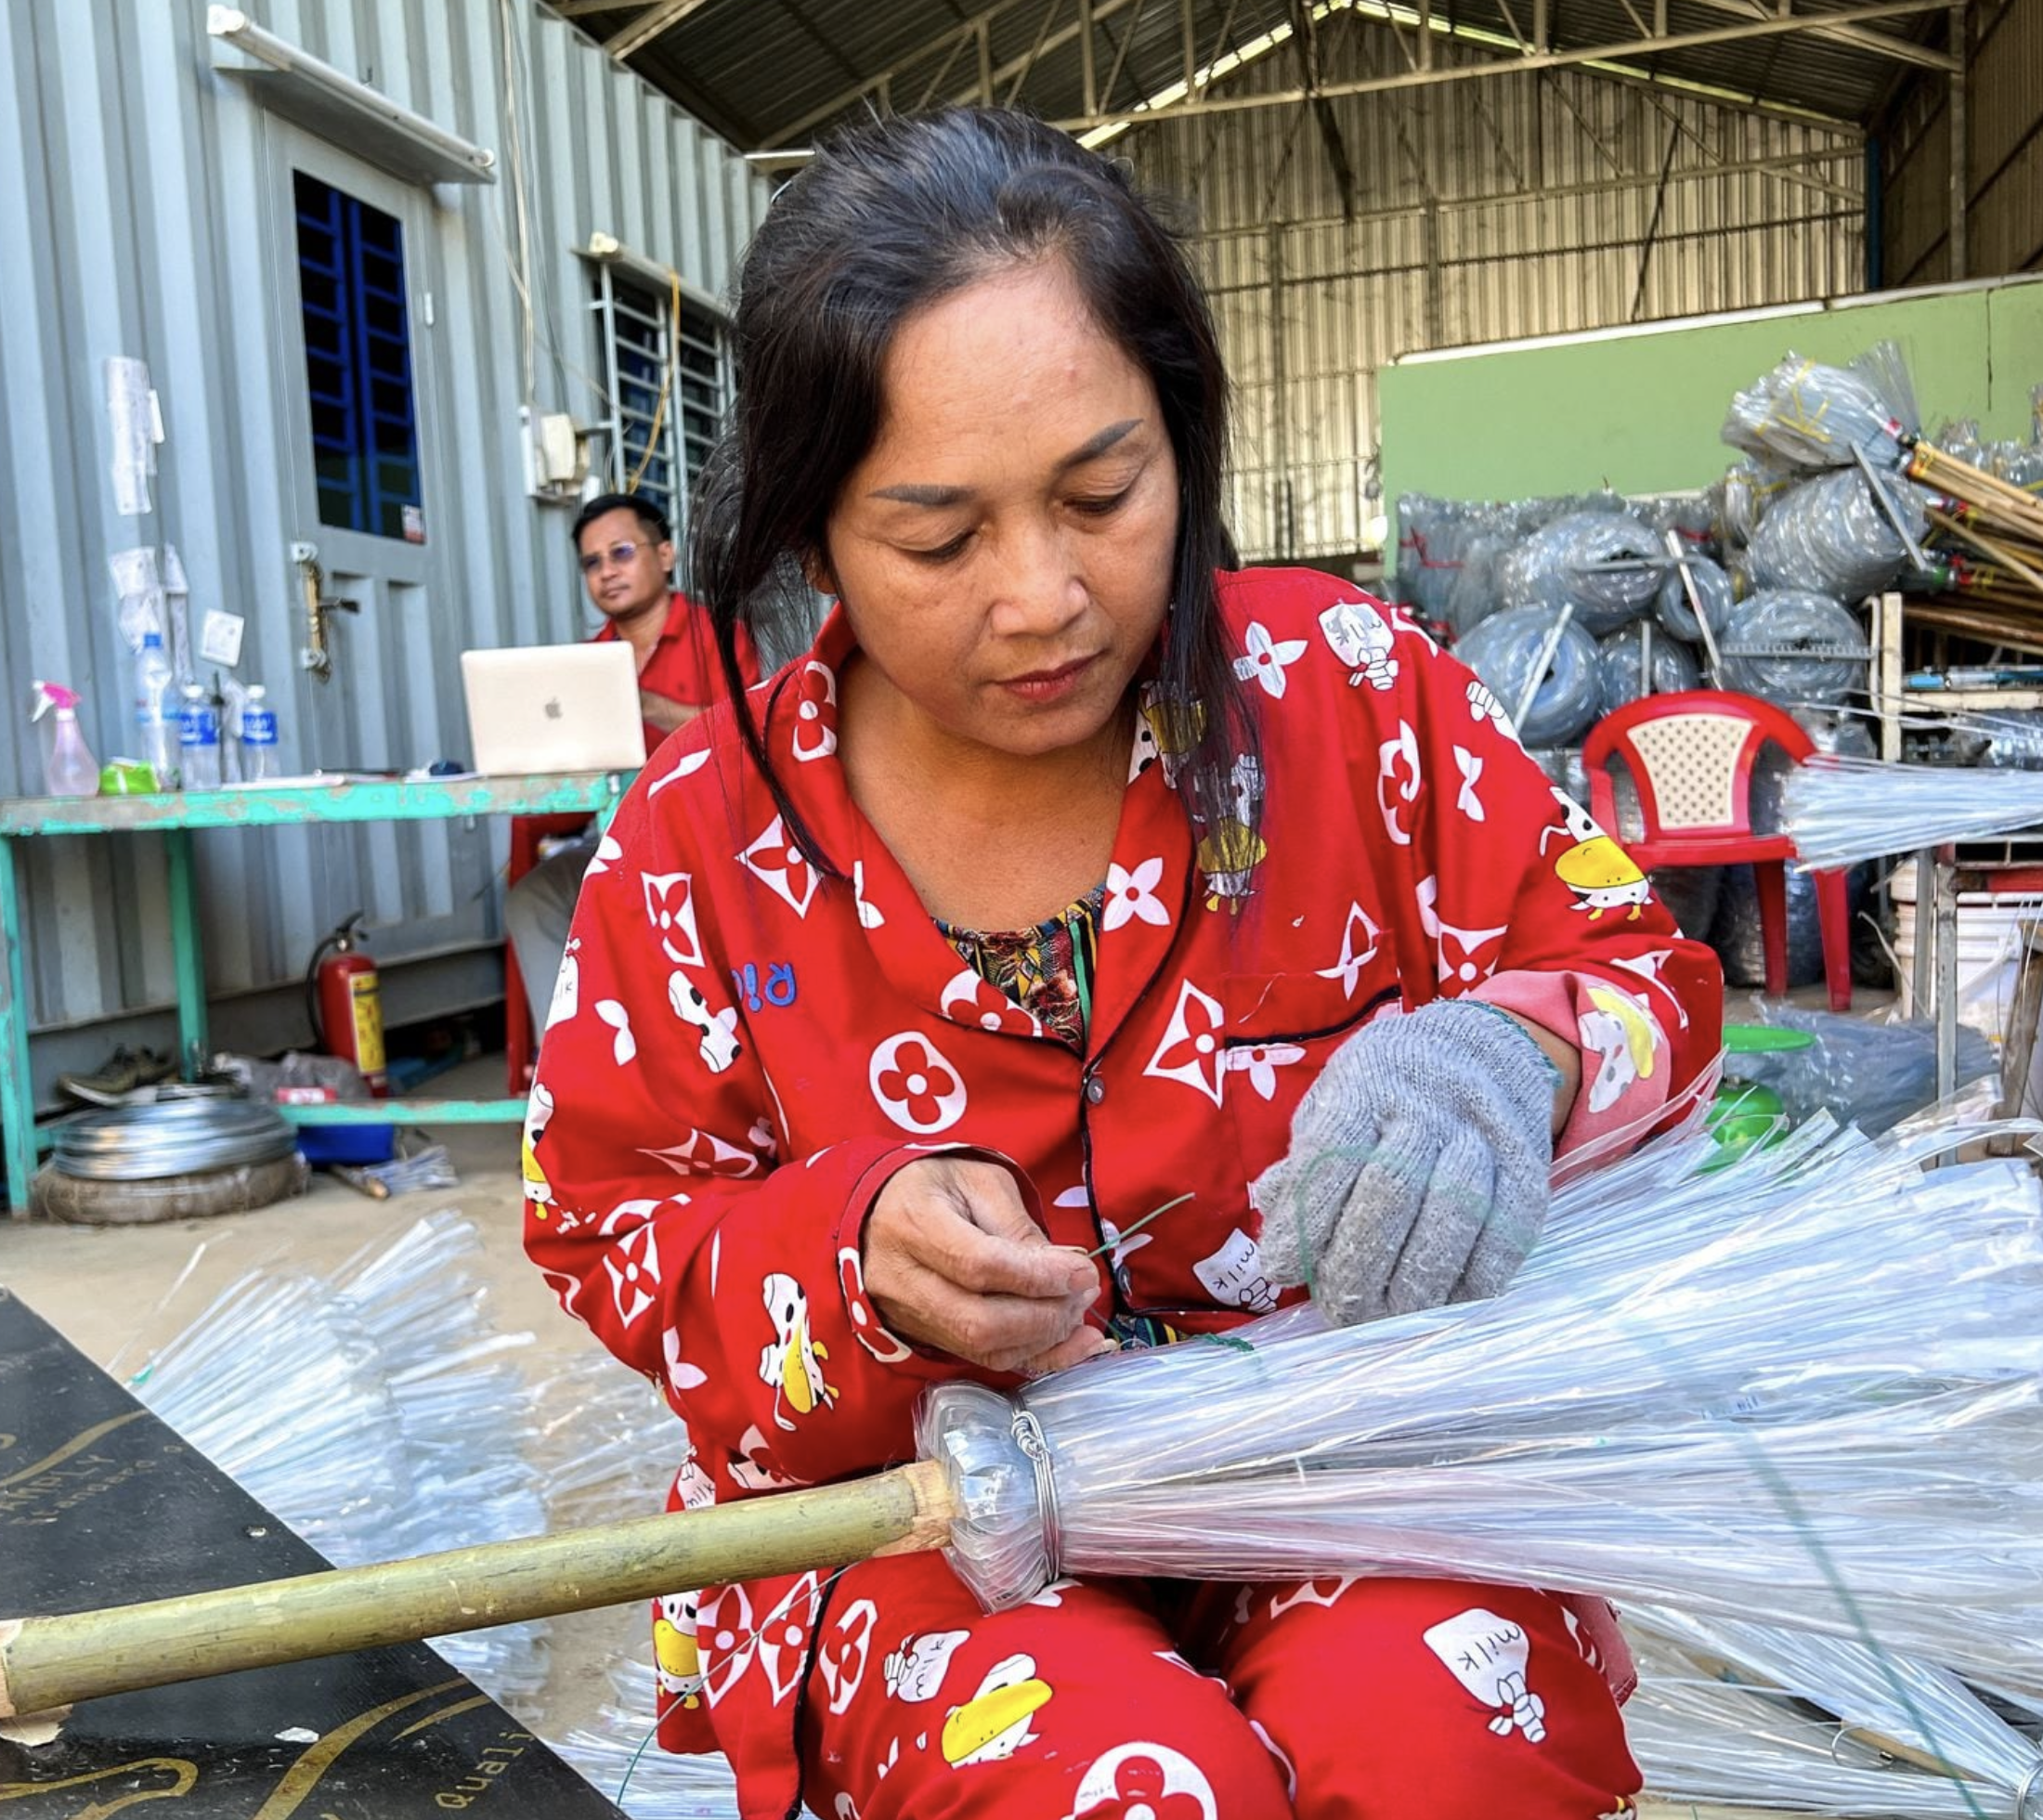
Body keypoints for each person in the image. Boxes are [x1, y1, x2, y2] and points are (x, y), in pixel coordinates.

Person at [524, 109, 1722, 1820]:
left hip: (1345, 1465)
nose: (1043, 597)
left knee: (1440, 1740)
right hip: (922, 1517)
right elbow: (606, 1212)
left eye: (1103, 493)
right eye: (938, 540)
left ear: (1184, 441)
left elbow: (1641, 977)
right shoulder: (702, 836)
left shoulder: (1348, 694)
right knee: (1121, 1785)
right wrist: (844, 1240)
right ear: (811, 541)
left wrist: (1509, 1055)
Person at [504, 492, 759, 1034]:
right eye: (592, 563)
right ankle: (574, 1072)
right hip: (619, 847)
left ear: (665, 555)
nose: (606, 573)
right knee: (533, 899)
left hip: (711, 845)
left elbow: (749, 746)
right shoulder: (579, 665)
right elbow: (560, 806)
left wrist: (645, 703)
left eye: (621, 553)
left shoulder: (720, 636)